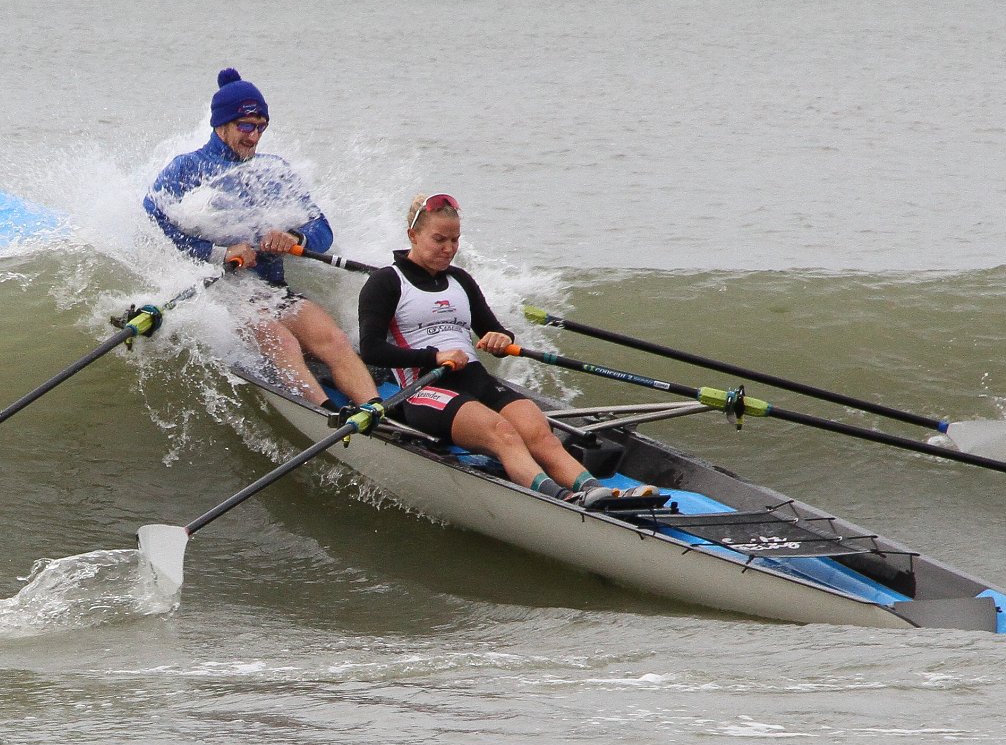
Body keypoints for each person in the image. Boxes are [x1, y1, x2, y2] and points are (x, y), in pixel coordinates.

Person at [356, 193, 652, 507]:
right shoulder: (386, 283)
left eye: (455, 240)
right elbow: (371, 350)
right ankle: (565, 499)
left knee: (538, 431)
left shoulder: (460, 280)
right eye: (439, 239)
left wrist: (499, 339)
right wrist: (434, 356)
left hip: (474, 380)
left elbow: (494, 331)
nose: (448, 249)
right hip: (425, 389)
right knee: (503, 432)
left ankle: (596, 491)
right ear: (413, 236)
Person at [144, 69, 379, 411]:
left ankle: (375, 412)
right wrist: (217, 252)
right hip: (224, 293)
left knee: (334, 340)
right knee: (282, 342)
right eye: (245, 126)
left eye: (261, 127)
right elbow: (153, 223)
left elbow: (322, 229)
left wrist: (294, 236)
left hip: (271, 289)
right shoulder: (187, 168)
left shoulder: (273, 170)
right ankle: (329, 415)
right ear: (221, 125)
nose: (254, 137)